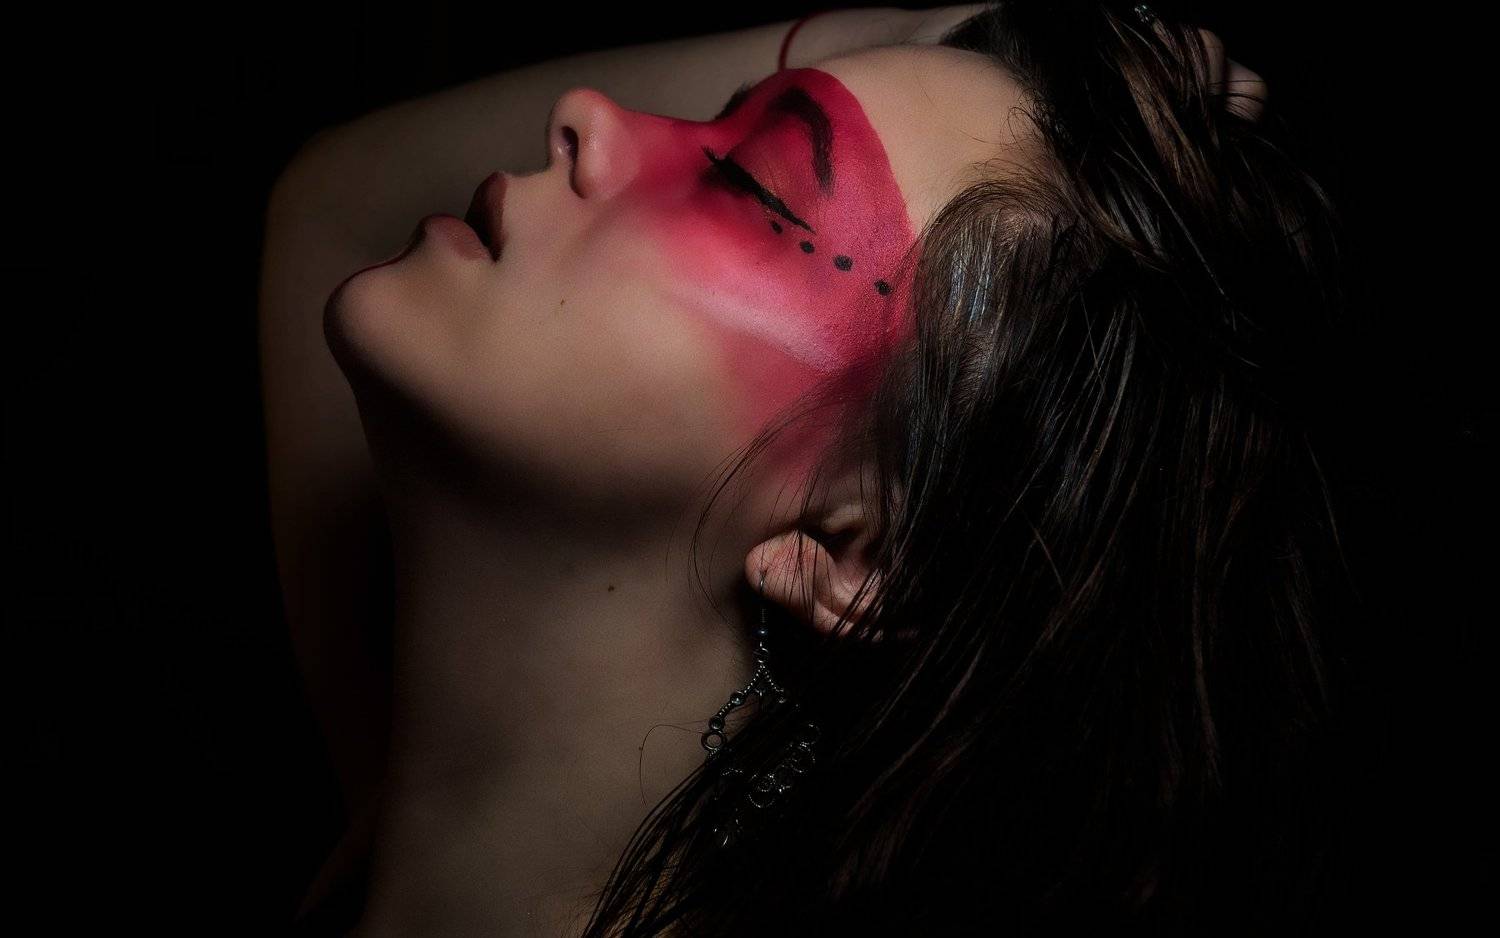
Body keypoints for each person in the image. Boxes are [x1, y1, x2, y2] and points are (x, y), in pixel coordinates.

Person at [262, 2, 1345, 935]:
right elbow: (330, 200)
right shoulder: (395, 844)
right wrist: (929, 33)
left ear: (853, 549)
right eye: (719, 117)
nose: (585, 112)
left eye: (746, 183)